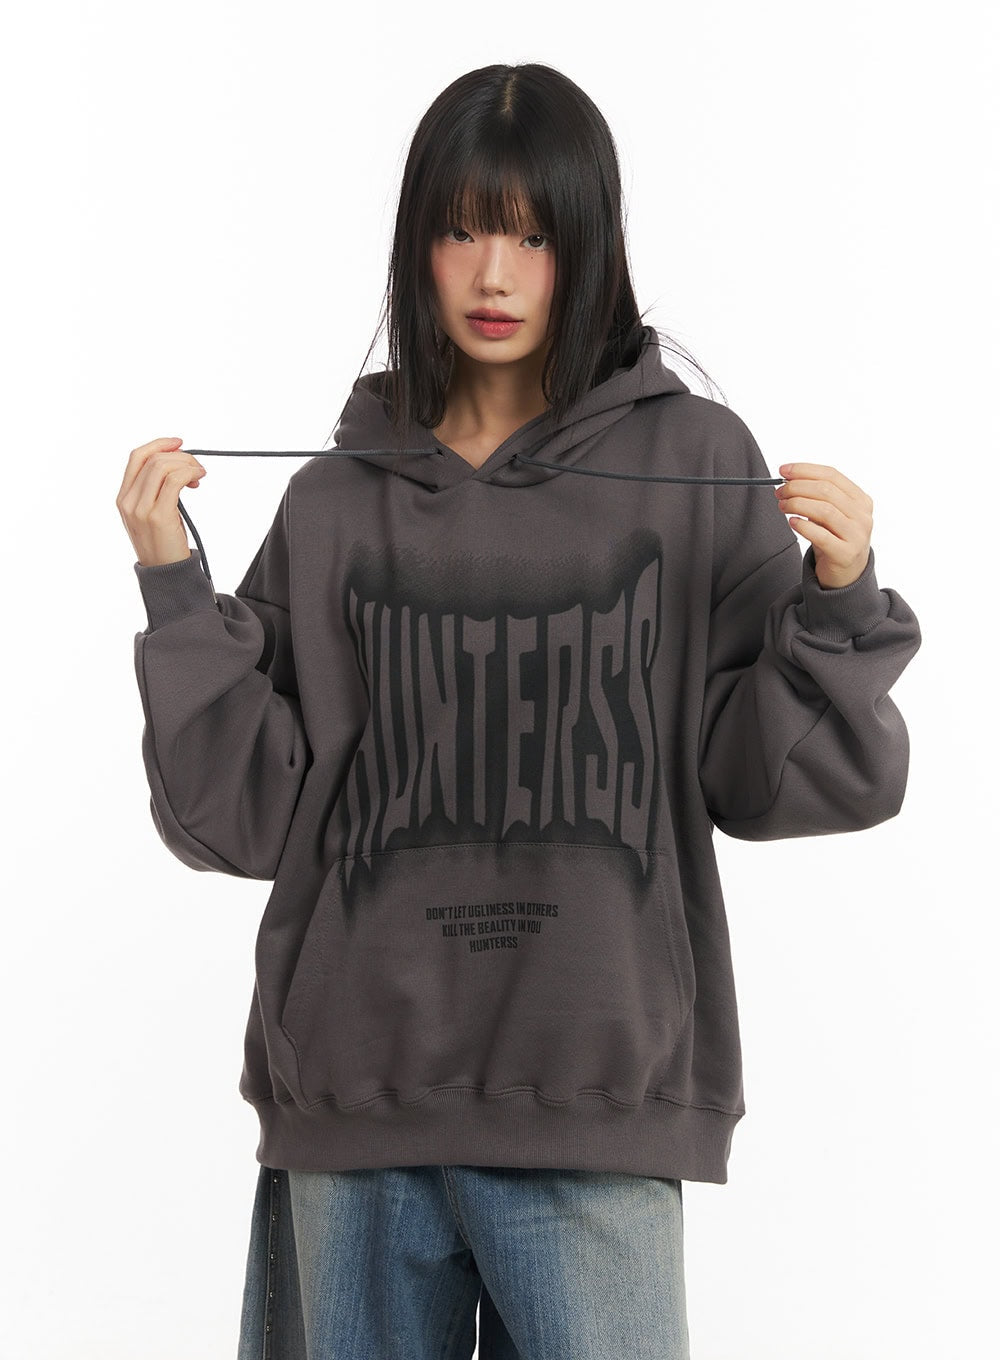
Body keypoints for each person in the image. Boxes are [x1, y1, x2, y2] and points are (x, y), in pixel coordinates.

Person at [117, 62, 922, 1360]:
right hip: (357, 1104)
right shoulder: (337, 500)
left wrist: (838, 600)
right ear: (417, 247)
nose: (495, 274)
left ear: (588, 246)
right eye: (462, 230)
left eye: (534, 236)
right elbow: (242, 816)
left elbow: (777, 778)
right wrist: (172, 583)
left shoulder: (693, 463)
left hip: (596, 1103)